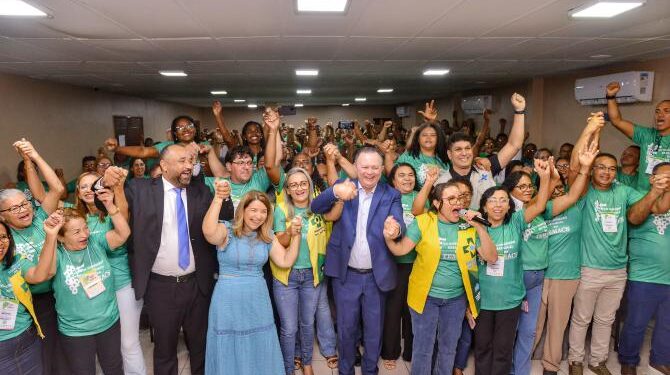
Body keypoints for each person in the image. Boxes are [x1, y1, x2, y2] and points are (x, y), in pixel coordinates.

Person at [116, 143, 233, 375]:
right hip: (160, 287)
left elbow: (225, 217)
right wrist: (107, 183)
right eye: (182, 161)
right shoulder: (139, 189)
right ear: (163, 165)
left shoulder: (200, 191)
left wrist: (225, 198)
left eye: (190, 161)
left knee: (200, 346)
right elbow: (107, 206)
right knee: (165, 349)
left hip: (197, 284)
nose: (189, 166)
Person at [567, 112, 668, 375]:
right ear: (594, 170)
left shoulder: (624, 190)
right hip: (589, 267)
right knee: (581, 318)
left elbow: (653, 209)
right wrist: (590, 130)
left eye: (612, 169)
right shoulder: (585, 190)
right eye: (601, 167)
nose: (607, 172)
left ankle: (598, 361)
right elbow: (576, 167)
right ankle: (576, 360)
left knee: (606, 319)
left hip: (617, 270)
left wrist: (659, 188)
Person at [383, 181, 497, 375]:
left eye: (460, 198)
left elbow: (491, 257)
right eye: (451, 198)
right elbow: (401, 249)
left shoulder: (468, 225)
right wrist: (388, 237)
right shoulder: (423, 222)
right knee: (423, 349)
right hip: (425, 297)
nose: (458, 202)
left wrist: (480, 228)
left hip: (456, 300)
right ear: (437, 203)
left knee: (448, 349)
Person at [311, 147, 405, 375]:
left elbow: (399, 223)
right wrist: (335, 192)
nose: (370, 172)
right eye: (364, 167)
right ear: (356, 167)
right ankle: (345, 371)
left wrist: (395, 229)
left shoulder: (391, 194)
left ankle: (370, 370)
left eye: (375, 167)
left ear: (382, 169)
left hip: (376, 277)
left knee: (374, 331)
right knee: (346, 330)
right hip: (346, 276)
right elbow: (316, 207)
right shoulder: (345, 186)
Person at [202, 188, 300, 374]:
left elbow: (285, 261)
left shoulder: (267, 236)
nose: (258, 216)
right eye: (253, 210)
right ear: (243, 210)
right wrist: (218, 198)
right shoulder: (226, 229)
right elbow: (208, 232)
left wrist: (295, 236)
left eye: (263, 211)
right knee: (229, 344)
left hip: (257, 300)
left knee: (259, 343)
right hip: (228, 300)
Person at [473, 157, 551, 375]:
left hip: (510, 300)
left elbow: (541, 204)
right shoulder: (473, 230)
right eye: (492, 201)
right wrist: (480, 227)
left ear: (509, 205)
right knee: (482, 348)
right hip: (484, 301)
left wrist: (544, 178)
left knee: (503, 350)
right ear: (484, 206)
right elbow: (489, 259)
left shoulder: (516, 222)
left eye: (502, 200)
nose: (498, 205)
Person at [1, 139, 68, 374]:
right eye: (14, 208)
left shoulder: (40, 217)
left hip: (60, 291)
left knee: (63, 352)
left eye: (24, 203)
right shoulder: (4, 240)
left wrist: (34, 156)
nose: (24, 210)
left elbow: (57, 189)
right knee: (44, 355)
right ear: (3, 217)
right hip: (32, 303)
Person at [533, 138, 599, 375]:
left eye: (561, 186)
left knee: (557, 324)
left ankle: (550, 366)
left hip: (565, 275)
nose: (558, 189)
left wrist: (585, 164)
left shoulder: (576, 206)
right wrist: (548, 179)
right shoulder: (540, 210)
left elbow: (578, 179)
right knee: (533, 324)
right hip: (539, 274)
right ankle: (521, 358)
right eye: (553, 187)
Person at [270, 168, 342, 375]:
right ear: (288, 190)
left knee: (308, 323)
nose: (299, 188)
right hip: (286, 277)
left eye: (303, 183)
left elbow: (333, 216)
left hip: (312, 275)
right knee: (289, 327)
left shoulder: (317, 205)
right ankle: (289, 366)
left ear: (310, 185)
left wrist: (340, 196)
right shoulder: (281, 209)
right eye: (294, 185)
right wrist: (290, 233)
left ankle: (307, 362)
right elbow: (278, 242)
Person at [73, 170, 146, 374]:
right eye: (83, 186)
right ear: (77, 193)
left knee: (128, 343)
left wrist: (115, 192)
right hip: (93, 291)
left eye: (93, 184)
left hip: (122, 285)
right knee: (108, 350)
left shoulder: (112, 211)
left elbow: (123, 217)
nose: (88, 190)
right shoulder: (75, 219)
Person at [52, 189, 130, 375]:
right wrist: (50, 235)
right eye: (76, 231)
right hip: (76, 332)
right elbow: (42, 273)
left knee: (114, 369)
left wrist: (110, 206)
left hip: (108, 323)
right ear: (61, 237)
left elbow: (123, 233)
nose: (84, 234)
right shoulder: (57, 256)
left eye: (85, 227)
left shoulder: (95, 242)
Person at [618, 162, 670, 375]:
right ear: (651, 178)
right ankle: (628, 361)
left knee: (667, 325)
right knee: (636, 323)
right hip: (645, 276)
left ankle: (660, 359)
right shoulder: (636, 195)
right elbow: (634, 218)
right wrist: (656, 191)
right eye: (663, 176)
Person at [380, 163, 432, 370]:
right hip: (393, 262)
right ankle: (390, 351)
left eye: (411, 175)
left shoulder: (423, 195)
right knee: (392, 309)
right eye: (401, 175)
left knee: (414, 309)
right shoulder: (387, 197)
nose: (407, 179)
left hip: (418, 262)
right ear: (392, 180)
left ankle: (411, 350)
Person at [436, 93, 528, 209]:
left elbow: (514, 145)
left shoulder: (485, 169)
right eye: (458, 149)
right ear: (450, 154)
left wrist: (519, 111)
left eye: (467, 148)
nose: (464, 153)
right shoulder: (442, 182)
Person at [0, 214, 61, 374]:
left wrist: (51, 235)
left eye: (3, 237)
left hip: (27, 339)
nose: (0, 243)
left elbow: (40, 275)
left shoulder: (15, 261)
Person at [206, 108, 283, 210]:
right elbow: (221, 173)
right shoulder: (221, 182)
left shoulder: (259, 179)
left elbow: (273, 162)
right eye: (241, 162)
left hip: (270, 194)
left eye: (249, 162)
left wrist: (274, 129)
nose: (246, 167)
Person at [606, 81, 670, 191]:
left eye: (667, 111)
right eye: (657, 111)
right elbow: (617, 121)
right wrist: (611, 97)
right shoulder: (647, 135)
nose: (660, 115)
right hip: (642, 196)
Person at [387, 101, 450, 187]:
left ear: (438, 138)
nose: (428, 138)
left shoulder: (444, 157)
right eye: (424, 135)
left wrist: (432, 121)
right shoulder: (408, 157)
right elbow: (392, 177)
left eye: (433, 135)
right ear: (418, 139)